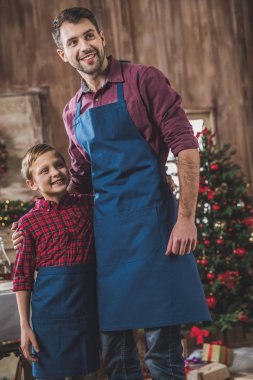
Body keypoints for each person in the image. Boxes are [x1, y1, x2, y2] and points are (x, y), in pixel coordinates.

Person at [12, 7, 212, 380]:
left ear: (102, 38)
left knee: (162, 354)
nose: (84, 46)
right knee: (117, 356)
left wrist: (185, 219)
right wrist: (37, 219)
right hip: (109, 241)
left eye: (89, 36)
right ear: (63, 54)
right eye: (73, 42)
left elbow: (186, 147)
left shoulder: (143, 80)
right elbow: (80, 182)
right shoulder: (73, 111)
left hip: (157, 231)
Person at [12, 144, 99, 380]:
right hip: (49, 318)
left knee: (90, 373)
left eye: (59, 165)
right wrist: (24, 325)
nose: (55, 172)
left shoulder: (89, 205)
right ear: (32, 184)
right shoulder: (28, 224)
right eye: (44, 170)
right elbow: (22, 277)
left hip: (88, 311)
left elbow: (120, 201)